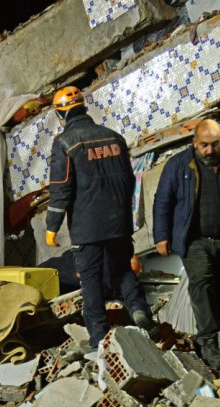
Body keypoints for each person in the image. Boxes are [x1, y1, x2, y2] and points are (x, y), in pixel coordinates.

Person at [45, 86, 158, 348]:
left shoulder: (64, 143)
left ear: (61, 114)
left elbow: (60, 188)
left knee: (91, 280)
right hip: (119, 223)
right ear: (83, 108)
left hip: (88, 228)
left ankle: (98, 339)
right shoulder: (115, 138)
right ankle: (140, 310)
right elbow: (130, 181)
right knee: (123, 271)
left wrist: (52, 227)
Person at [153, 119, 220, 370]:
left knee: (218, 292)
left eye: (215, 145)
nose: (210, 151)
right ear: (194, 143)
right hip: (194, 240)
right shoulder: (179, 164)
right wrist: (161, 236)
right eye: (204, 146)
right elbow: (163, 201)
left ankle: (202, 341)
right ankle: (210, 344)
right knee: (202, 283)